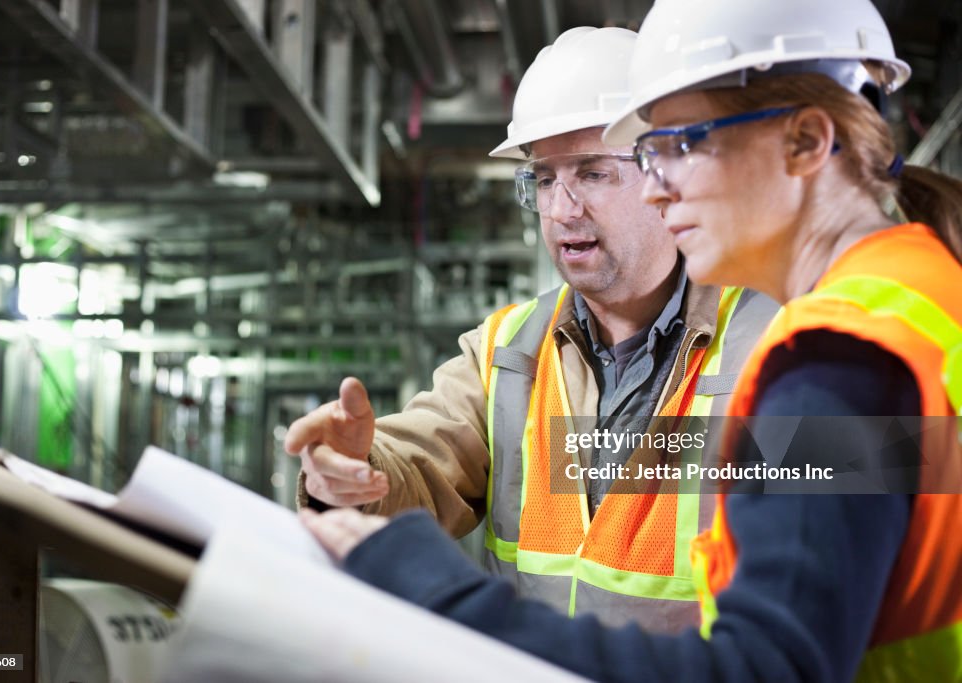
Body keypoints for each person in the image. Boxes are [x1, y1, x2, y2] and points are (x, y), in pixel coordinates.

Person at [300, 1, 962, 681]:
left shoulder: (836, 361)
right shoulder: (908, 301)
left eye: (681, 144)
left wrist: (439, 591)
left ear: (806, 143)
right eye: (649, 152)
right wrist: (357, 475)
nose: (659, 186)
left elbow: (767, 667)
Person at [286, 26, 777, 630]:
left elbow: (876, 517)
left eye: (592, 173)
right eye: (544, 178)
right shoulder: (508, 351)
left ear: (665, 172)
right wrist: (353, 469)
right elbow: (420, 463)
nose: (562, 209)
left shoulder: (775, 339)